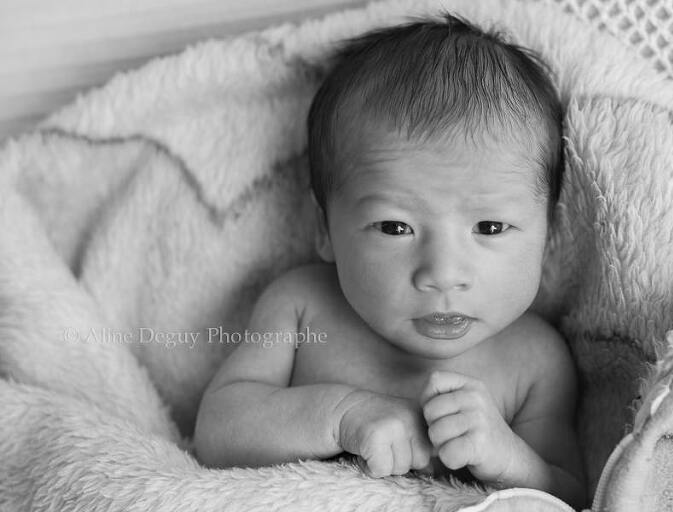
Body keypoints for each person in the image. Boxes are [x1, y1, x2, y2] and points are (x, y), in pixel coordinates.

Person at [194, 14, 585, 508]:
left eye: (489, 228)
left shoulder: (535, 360)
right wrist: (342, 415)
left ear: (549, 237)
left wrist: (508, 457)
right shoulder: (302, 306)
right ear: (325, 230)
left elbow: (571, 495)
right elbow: (217, 430)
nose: (442, 274)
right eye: (395, 227)